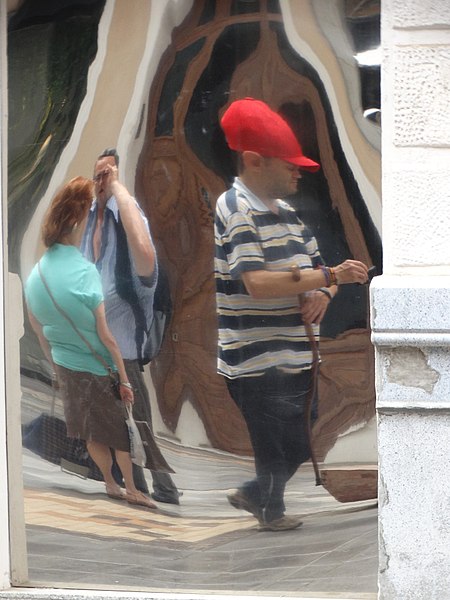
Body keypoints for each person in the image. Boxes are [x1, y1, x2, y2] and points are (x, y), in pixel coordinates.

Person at [215, 98, 369, 531]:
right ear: (254, 162)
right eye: (290, 165)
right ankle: (268, 507)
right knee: (275, 444)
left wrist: (327, 289)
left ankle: (258, 497)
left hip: (296, 354)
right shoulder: (235, 208)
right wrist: (327, 276)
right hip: (254, 357)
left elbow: (319, 275)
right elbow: (257, 282)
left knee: (300, 438)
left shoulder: (293, 218)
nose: (298, 173)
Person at [25, 176, 155, 509]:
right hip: (98, 367)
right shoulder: (85, 272)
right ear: (74, 221)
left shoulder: (35, 276)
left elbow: (40, 331)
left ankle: (109, 483)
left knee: (91, 433)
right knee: (117, 434)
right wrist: (124, 379)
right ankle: (130, 487)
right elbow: (106, 336)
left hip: (67, 369)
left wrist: (56, 370)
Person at [80, 148, 180, 505]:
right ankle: (136, 487)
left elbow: (145, 255)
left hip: (124, 342)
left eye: (107, 174)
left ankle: (164, 487)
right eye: (98, 175)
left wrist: (119, 190)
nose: (101, 181)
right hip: (98, 344)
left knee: (138, 421)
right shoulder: (90, 217)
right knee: (119, 424)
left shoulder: (126, 211)